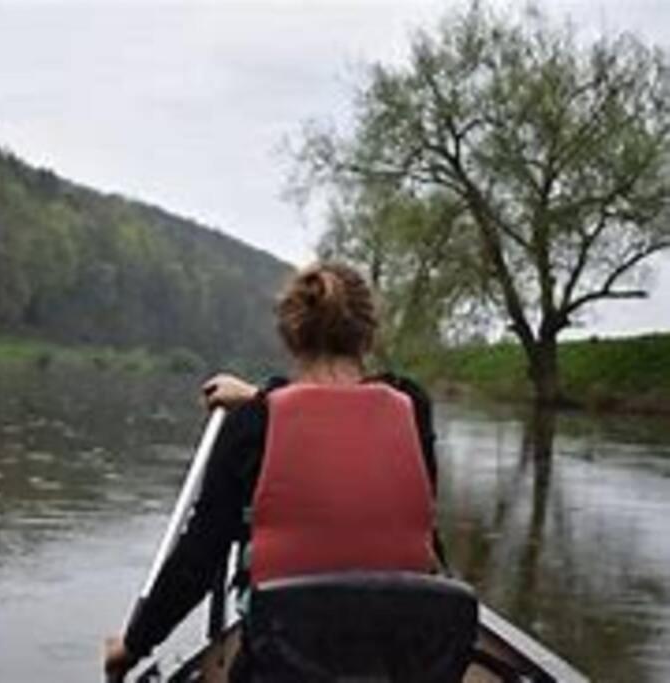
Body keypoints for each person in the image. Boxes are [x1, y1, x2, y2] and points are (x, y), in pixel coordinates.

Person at [104, 261, 443, 682]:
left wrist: (134, 644)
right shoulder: (413, 407)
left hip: (284, 661)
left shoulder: (252, 423)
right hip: (399, 659)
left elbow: (198, 560)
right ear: (369, 334)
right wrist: (261, 396)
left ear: (290, 336)